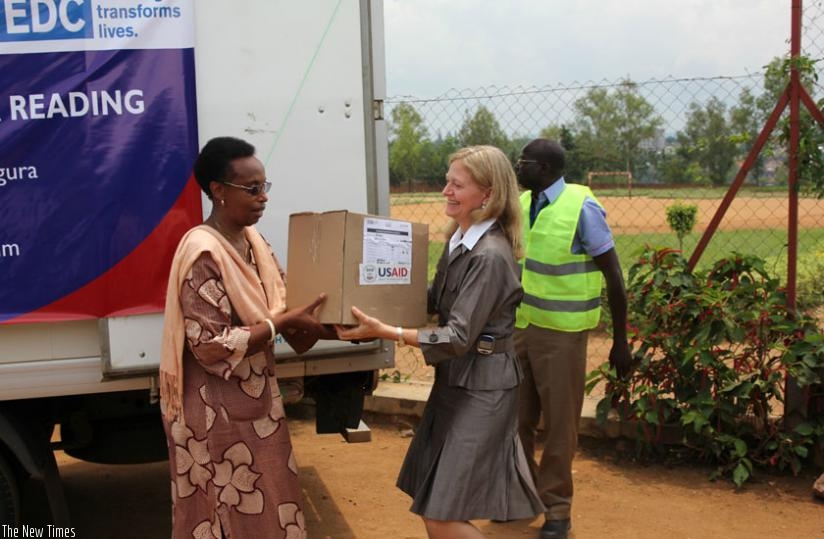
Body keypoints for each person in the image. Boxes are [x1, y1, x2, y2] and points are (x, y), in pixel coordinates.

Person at [337, 145, 545, 539]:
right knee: (436, 505)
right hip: (458, 383)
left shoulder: (490, 256)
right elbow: (432, 300)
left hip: (484, 388)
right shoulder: (460, 241)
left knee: (441, 512)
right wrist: (362, 297)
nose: (446, 191)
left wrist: (388, 332)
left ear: (488, 193)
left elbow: (458, 335)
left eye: (457, 185)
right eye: (447, 182)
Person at [159, 136, 332, 539]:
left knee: (270, 504)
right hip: (212, 413)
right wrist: (280, 323)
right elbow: (208, 345)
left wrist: (344, 329)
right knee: (223, 514)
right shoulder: (203, 253)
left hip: (256, 406)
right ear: (218, 191)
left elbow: (287, 308)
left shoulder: (254, 243)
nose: (263, 197)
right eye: (251, 188)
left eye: (264, 187)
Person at [513, 138, 632, 539]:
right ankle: (523, 497)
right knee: (515, 419)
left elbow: (615, 278)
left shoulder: (582, 209)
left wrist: (621, 340)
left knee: (560, 426)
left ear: (544, 168)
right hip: (523, 329)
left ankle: (557, 511)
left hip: (562, 337)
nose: (517, 167)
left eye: (523, 162)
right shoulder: (525, 205)